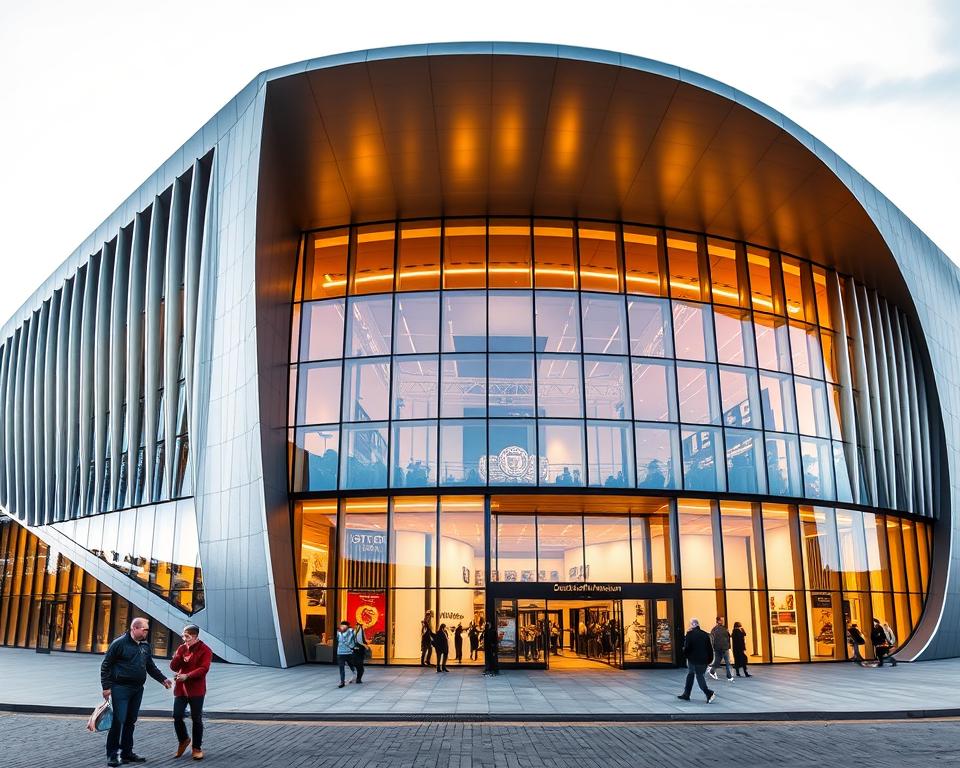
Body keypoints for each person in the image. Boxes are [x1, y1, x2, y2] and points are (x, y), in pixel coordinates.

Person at [100, 617, 174, 767]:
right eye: (144, 629)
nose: (147, 631)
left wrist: (163, 679)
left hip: (137, 689)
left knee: (130, 721)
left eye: (147, 629)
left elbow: (150, 666)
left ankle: (127, 753)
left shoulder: (145, 646)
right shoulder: (119, 644)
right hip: (120, 688)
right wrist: (106, 687)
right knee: (118, 721)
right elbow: (106, 665)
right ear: (135, 628)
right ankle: (112, 755)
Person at [170, 624, 212, 761]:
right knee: (177, 715)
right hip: (181, 689)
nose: (184, 638)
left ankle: (197, 748)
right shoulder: (182, 648)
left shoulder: (205, 650)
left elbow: (203, 668)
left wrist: (187, 676)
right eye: (183, 636)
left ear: (195, 636)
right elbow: (173, 666)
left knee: (196, 718)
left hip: (196, 689)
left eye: (187, 636)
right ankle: (184, 740)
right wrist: (177, 656)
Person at [677, 618, 716, 703]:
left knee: (697, 676)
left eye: (690, 624)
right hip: (704, 660)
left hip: (693, 659)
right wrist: (710, 660)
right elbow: (710, 648)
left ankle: (708, 693)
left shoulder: (690, 634)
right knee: (693, 675)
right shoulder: (705, 634)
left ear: (692, 625)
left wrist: (685, 655)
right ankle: (686, 694)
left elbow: (687, 647)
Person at [707, 616, 734, 682]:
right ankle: (728, 676)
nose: (723, 621)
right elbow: (728, 637)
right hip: (723, 648)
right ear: (718, 621)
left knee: (718, 662)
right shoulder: (724, 629)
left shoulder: (714, 629)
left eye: (723, 620)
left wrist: (713, 647)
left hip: (719, 648)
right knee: (725, 662)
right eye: (722, 620)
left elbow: (712, 639)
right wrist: (728, 646)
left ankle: (728, 676)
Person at [335, 620, 357, 688]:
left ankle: (354, 674)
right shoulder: (339, 632)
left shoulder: (351, 631)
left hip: (347, 652)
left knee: (350, 665)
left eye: (343, 625)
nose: (342, 626)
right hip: (341, 652)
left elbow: (354, 640)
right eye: (342, 625)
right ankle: (342, 682)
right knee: (342, 667)